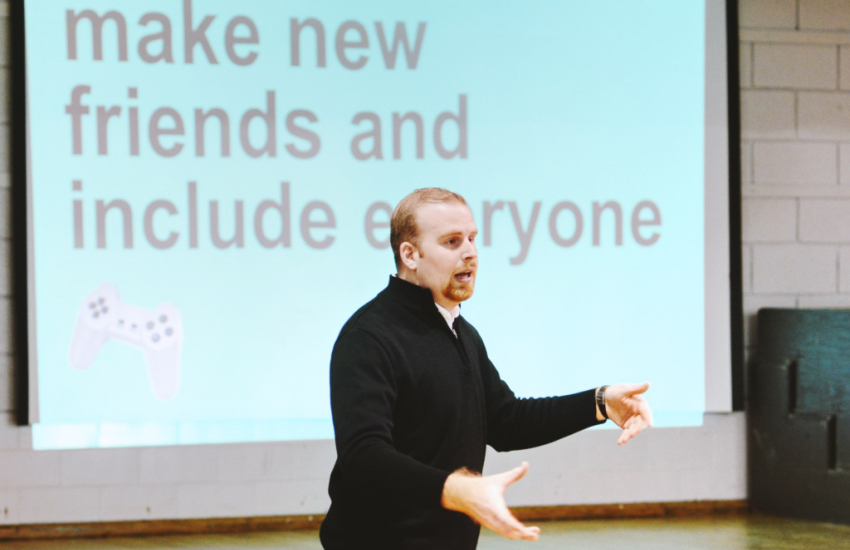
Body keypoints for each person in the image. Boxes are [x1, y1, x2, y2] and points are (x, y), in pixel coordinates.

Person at [320, 188, 653, 549]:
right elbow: (363, 456)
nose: (470, 253)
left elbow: (506, 421)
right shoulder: (369, 337)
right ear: (410, 254)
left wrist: (599, 403)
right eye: (452, 241)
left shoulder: (461, 333)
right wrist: (456, 489)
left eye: (472, 239)